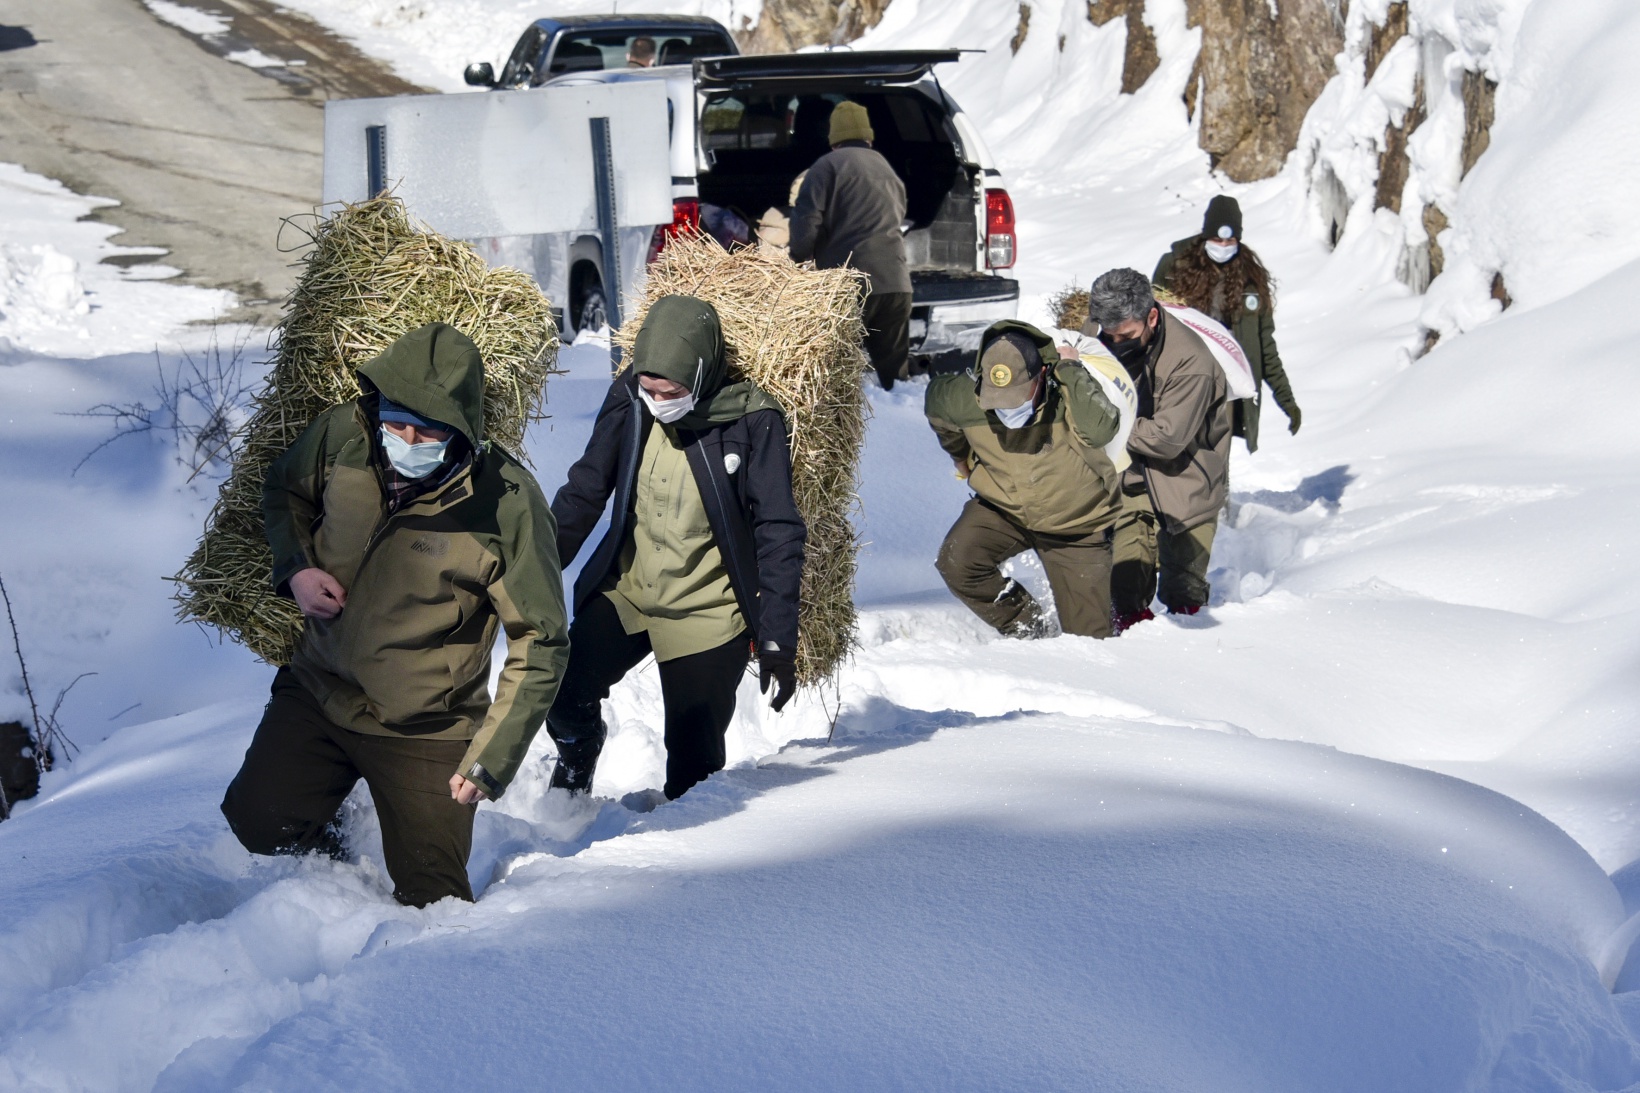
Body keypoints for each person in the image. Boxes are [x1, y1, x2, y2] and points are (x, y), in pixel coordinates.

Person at [221, 323, 570, 907]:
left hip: (427, 727)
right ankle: (335, 838)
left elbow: (542, 640)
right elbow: (285, 491)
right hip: (321, 689)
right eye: (394, 423)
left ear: (461, 428)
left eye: (425, 431)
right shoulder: (344, 436)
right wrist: (298, 569)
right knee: (257, 824)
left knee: (434, 899)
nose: (405, 439)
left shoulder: (506, 503)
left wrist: (491, 757)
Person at [546, 295, 805, 801]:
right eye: (649, 387)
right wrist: (529, 574)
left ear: (704, 372)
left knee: (692, 771)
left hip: (708, 611)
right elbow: (585, 489)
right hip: (631, 589)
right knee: (559, 690)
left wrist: (778, 638)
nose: (658, 400)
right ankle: (579, 756)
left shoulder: (751, 420)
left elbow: (778, 528)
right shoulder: (632, 397)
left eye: (673, 390)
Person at [925, 320, 1123, 638]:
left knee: (1090, 640)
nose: (1007, 408)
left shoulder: (1067, 395)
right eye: (997, 400)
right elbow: (937, 408)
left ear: (1041, 375)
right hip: (1004, 508)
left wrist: (1071, 368)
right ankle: (1030, 631)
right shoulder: (962, 398)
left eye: (1016, 398)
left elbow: (1102, 428)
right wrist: (961, 457)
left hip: (1076, 524)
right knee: (958, 562)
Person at [1081, 269, 1230, 631]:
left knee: (1184, 597)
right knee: (1123, 595)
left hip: (1186, 486)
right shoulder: (1096, 336)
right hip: (1130, 482)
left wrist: (1102, 417)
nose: (1116, 344)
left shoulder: (1191, 363)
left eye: (1126, 336)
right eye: (1108, 335)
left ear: (1151, 317)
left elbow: (1167, 439)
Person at [1153, 195, 1300, 452]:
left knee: (1217, 455)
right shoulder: (1174, 267)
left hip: (1227, 382)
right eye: (1217, 239)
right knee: (1179, 450)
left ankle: (1219, 492)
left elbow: (1265, 347)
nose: (1222, 246)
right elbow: (1151, 321)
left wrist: (1286, 400)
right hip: (1183, 379)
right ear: (1205, 236)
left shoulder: (1251, 280)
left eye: (1229, 240)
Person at [789, 100, 913, 391]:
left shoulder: (825, 167)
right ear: (868, 137)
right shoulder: (886, 168)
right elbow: (899, 213)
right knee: (895, 382)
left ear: (834, 139)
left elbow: (806, 221)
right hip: (896, 285)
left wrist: (797, 257)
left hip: (849, 286)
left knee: (838, 378)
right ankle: (906, 430)